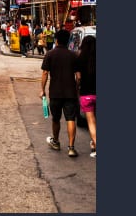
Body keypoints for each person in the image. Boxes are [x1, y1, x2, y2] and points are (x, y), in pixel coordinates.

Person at [39, 29, 80, 157]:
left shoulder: (50, 54)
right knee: (70, 118)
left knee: (55, 119)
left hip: (55, 92)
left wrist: (42, 90)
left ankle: (56, 142)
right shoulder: (74, 55)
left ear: (56, 40)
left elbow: (45, 73)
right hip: (70, 93)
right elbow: (78, 76)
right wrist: (76, 89)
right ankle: (71, 147)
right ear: (68, 41)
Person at [75, 35, 96, 157]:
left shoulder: (80, 59)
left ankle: (96, 145)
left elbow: (78, 78)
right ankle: (93, 144)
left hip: (86, 94)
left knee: (91, 122)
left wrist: (78, 87)